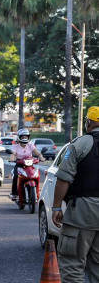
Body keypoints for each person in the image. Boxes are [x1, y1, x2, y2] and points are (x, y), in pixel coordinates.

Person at [51, 106, 99, 283]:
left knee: (73, 264)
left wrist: (56, 207)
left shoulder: (80, 144)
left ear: (88, 122)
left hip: (82, 212)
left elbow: (64, 178)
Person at [8, 128, 45, 201]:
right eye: (23, 137)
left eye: (26, 137)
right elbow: (13, 154)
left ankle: (37, 192)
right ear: (19, 137)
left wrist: (41, 158)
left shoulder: (30, 145)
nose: (24, 138)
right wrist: (12, 158)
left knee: (35, 175)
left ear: (28, 137)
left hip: (29, 165)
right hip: (19, 165)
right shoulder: (16, 146)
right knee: (16, 176)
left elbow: (37, 153)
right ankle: (14, 194)